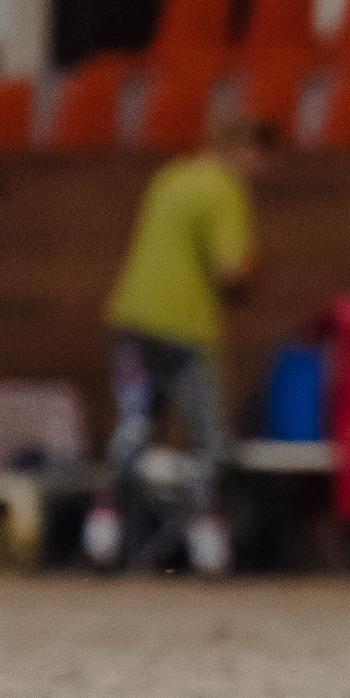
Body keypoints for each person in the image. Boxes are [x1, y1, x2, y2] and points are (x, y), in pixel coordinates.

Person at [86, 111, 277, 575]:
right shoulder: (227, 190)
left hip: (132, 321)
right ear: (247, 151)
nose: (264, 170)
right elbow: (230, 270)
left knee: (134, 427)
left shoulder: (168, 177)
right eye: (262, 158)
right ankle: (208, 545)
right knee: (209, 438)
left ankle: (102, 532)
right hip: (188, 330)